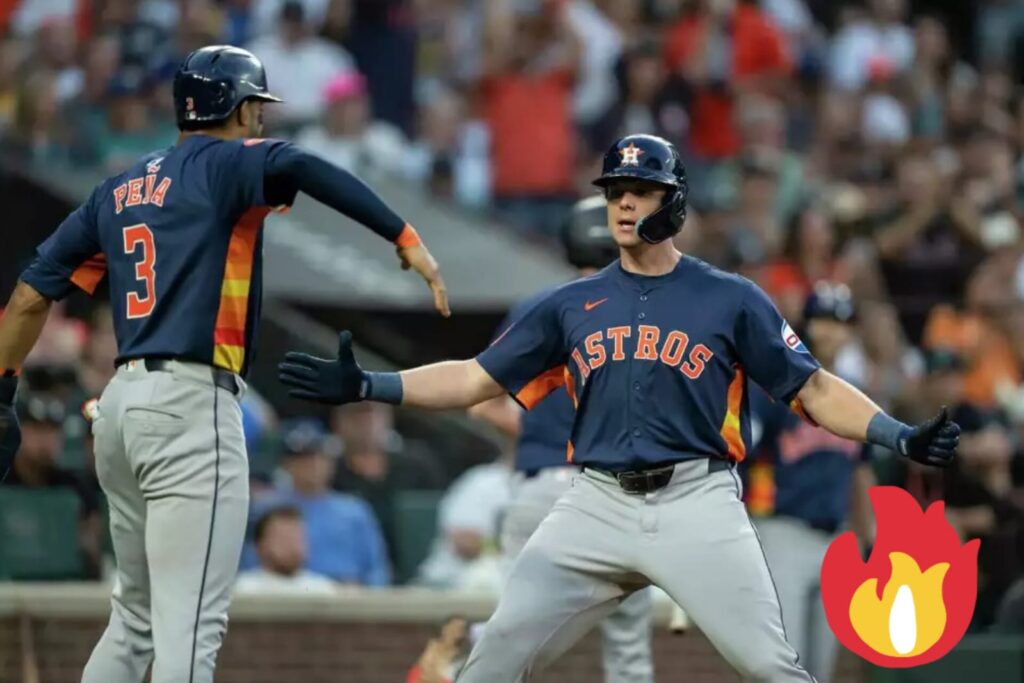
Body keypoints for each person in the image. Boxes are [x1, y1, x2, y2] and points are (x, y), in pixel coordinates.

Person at [278, 133, 960, 682]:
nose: (623, 203)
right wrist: (373, 384)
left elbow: (812, 389)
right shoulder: (569, 304)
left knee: (770, 665)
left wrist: (896, 434)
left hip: (697, 501)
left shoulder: (730, 297)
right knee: (493, 659)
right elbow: (473, 378)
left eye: (640, 190)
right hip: (593, 502)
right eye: (614, 191)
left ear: (675, 202)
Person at [0, 45, 447, 683]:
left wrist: (1, 389)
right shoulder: (225, 165)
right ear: (236, 108)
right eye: (255, 107)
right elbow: (303, 164)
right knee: (189, 629)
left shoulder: (119, 187)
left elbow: (26, 296)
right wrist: (402, 235)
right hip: (189, 404)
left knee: (133, 621)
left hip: (119, 407)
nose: (260, 120)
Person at [467, 195, 655, 682]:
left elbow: (482, 401)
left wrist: (539, 429)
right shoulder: (648, 314)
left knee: (510, 645)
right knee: (628, 651)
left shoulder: (539, 307)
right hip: (621, 493)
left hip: (545, 487)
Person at [743, 283, 877, 683]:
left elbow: (862, 470)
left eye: (841, 322)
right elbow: (740, 454)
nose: (832, 331)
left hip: (837, 540)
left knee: (823, 669)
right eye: (823, 320)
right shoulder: (778, 385)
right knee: (784, 664)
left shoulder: (857, 396)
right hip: (784, 530)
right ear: (805, 326)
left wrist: (868, 538)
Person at [234, 504, 336, 595]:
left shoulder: (324, 590)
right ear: (261, 546)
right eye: (284, 538)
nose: (292, 545)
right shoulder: (243, 589)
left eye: (297, 538)